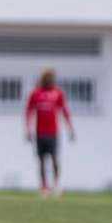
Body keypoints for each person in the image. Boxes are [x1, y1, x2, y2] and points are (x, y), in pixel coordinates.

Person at [25, 69, 75, 197]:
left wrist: (70, 128)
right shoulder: (35, 94)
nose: (50, 81)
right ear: (43, 79)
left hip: (53, 133)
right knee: (41, 160)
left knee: (54, 159)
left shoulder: (58, 94)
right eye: (48, 79)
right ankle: (44, 187)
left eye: (52, 79)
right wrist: (28, 129)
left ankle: (56, 185)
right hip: (40, 133)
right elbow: (29, 112)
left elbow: (64, 111)